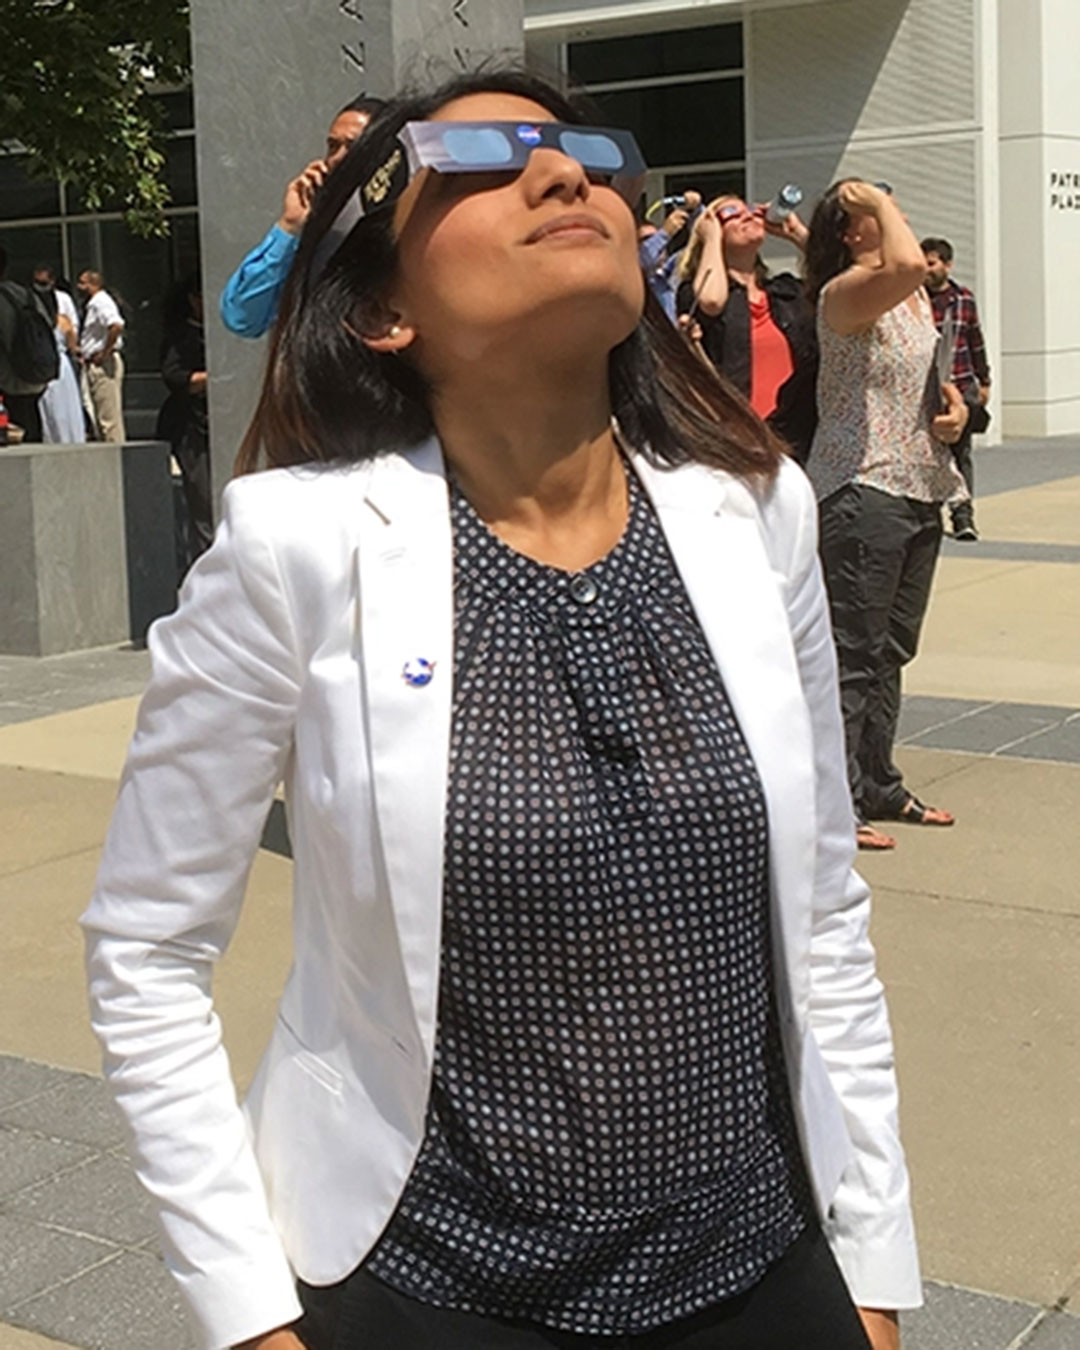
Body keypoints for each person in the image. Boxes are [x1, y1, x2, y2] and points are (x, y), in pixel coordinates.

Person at [83, 70, 919, 1350]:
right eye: (477, 162)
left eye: (582, 147)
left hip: (760, 1264)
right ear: (379, 310)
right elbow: (147, 950)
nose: (559, 171)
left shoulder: (757, 511)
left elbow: (821, 910)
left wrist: (871, 1262)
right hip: (427, 1284)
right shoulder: (294, 546)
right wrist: (248, 1318)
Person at [805, 181, 969, 851]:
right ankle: (836, 804)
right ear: (852, 231)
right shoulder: (846, 292)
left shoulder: (913, 300)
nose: (898, 215)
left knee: (892, 652)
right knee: (853, 655)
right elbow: (907, 261)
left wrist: (954, 416)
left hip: (919, 485)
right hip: (861, 485)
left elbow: (931, 382)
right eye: (879, 211)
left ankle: (879, 783)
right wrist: (869, 196)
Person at [219, 96, 384, 338]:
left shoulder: (409, 218)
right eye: (332, 146)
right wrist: (290, 227)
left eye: (353, 146)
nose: (337, 157)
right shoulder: (317, 232)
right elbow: (242, 317)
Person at [676, 196, 818, 465]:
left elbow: (839, 282)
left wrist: (798, 235)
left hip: (796, 437)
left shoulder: (785, 291)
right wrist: (709, 238)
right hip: (734, 436)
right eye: (731, 213)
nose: (747, 216)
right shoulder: (694, 292)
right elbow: (711, 301)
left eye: (751, 211)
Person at [921, 236, 991, 541]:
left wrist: (984, 379)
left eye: (932, 262)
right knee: (927, 452)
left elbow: (975, 340)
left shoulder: (964, 299)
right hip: (925, 389)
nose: (926, 267)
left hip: (961, 385)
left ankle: (963, 516)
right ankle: (928, 515)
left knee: (961, 454)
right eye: (923, 260)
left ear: (947, 265)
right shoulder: (914, 300)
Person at [157, 274, 212, 565]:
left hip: (216, 423)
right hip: (191, 425)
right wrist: (209, 379)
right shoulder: (181, 336)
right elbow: (174, 377)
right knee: (202, 502)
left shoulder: (220, 331)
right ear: (193, 300)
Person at [0, 243, 53, 442]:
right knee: (32, 426)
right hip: (35, 377)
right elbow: (48, 327)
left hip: (7, 380)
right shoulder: (28, 296)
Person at [33, 265, 85, 443]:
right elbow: (72, 341)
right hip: (56, 364)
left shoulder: (48, 318)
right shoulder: (63, 321)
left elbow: (72, 339)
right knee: (61, 407)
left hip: (50, 363)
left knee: (53, 407)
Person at [77, 270, 127, 441]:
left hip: (104, 364)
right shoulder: (92, 304)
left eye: (83, 283)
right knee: (98, 414)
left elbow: (116, 325)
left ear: (93, 284)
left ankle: (115, 456)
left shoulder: (101, 303)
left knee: (108, 418)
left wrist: (105, 352)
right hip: (92, 362)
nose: (79, 287)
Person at [637, 190, 700, 322]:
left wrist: (696, 210)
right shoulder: (634, 280)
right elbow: (640, 261)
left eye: (656, 237)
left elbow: (701, 244)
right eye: (647, 239)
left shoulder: (673, 269)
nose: (658, 244)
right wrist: (664, 234)